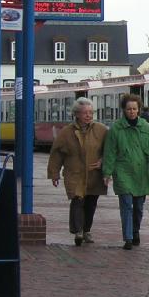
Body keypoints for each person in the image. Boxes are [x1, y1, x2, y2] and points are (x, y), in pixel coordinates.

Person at [103, 94, 149, 250]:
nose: (131, 111)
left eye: (134, 109)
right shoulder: (116, 129)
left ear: (139, 110)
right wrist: (107, 172)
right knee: (127, 205)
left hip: (142, 172)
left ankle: (135, 231)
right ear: (123, 110)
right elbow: (110, 152)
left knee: (138, 207)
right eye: (128, 109)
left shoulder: (147, 129)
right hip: (123, 171)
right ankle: (128, 237)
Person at [47, 97, 108, 246]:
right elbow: (56, 153)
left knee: (91, 202)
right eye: (85, 113)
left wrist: (103, 162)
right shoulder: (66, 132)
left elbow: (110, 151)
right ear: (77, 114)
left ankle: (87, 230)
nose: (88, 115)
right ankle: (78, 231)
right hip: (74, 173)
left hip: (94, 173)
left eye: (90, 112)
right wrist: (54, 173)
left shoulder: (101, 130)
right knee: (77, 200)